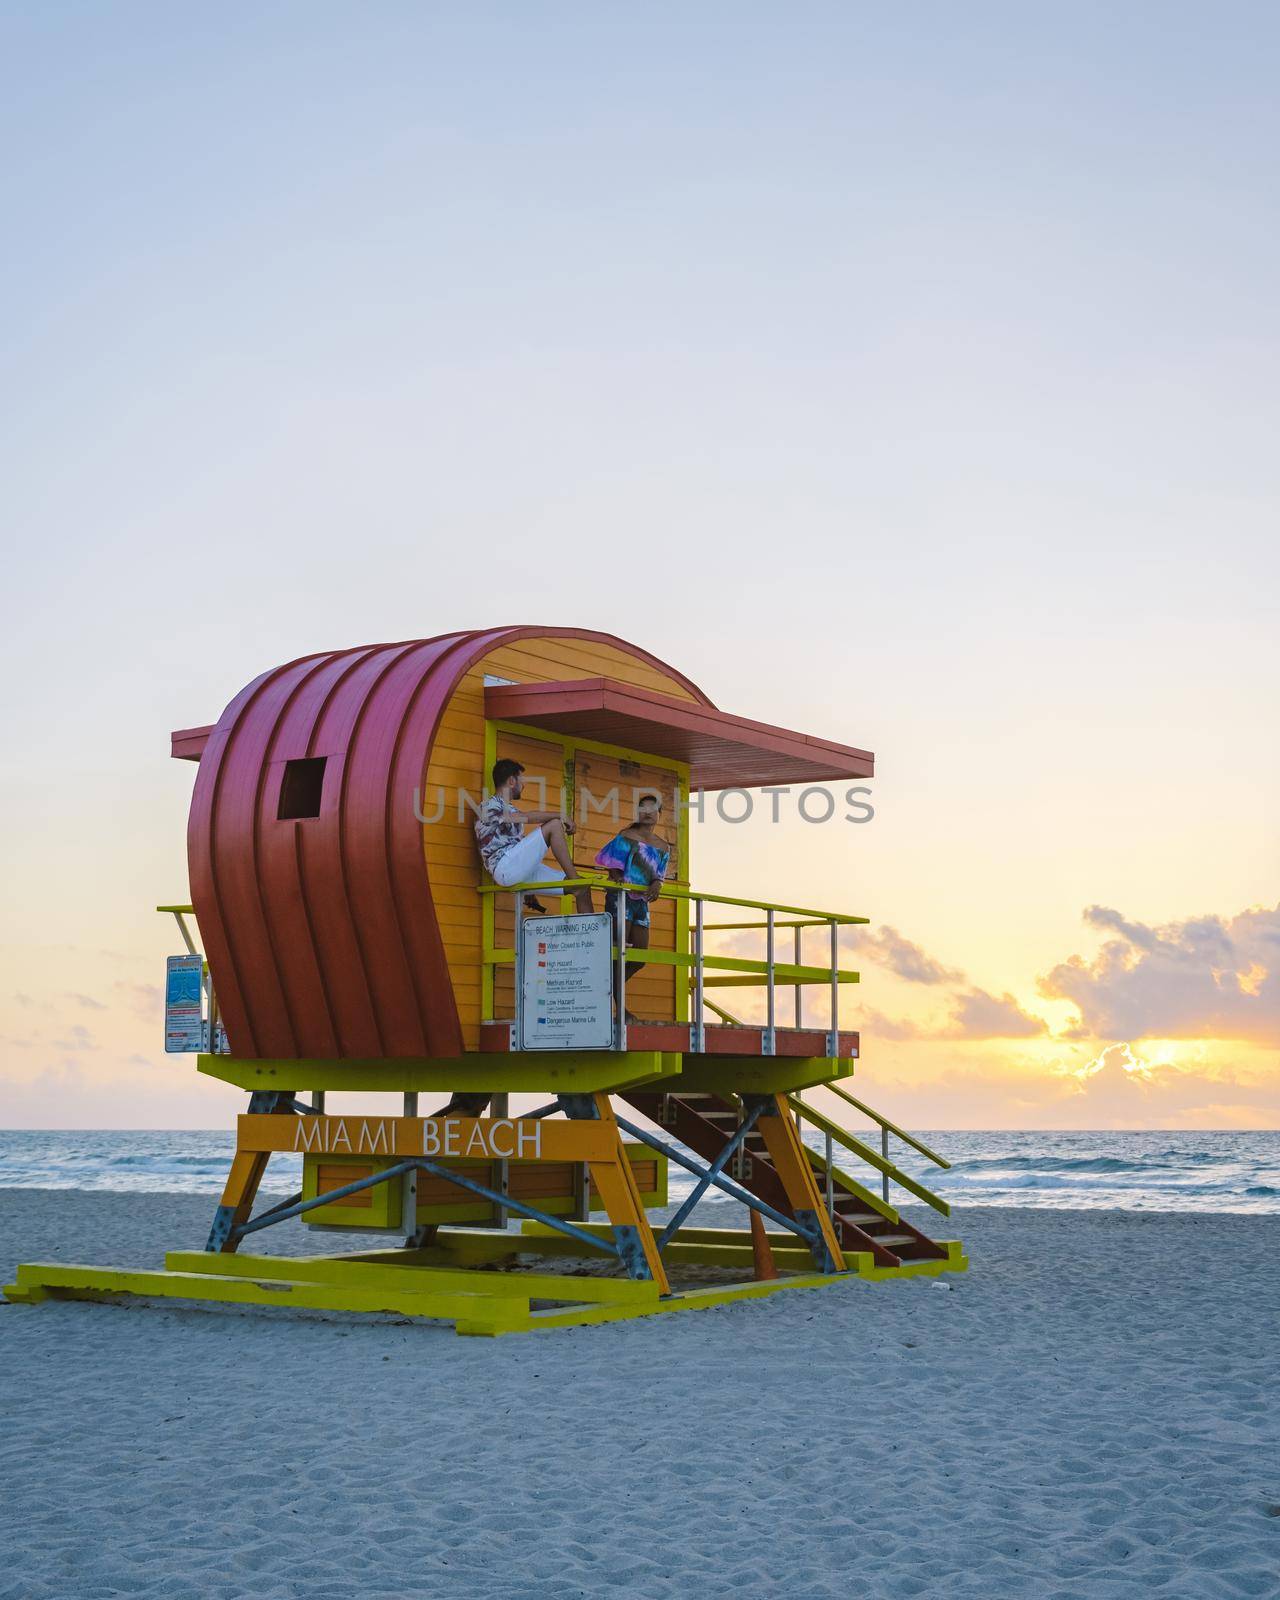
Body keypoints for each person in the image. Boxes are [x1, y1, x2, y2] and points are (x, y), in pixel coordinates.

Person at [474, 757, 594, 915]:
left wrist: (530, 891)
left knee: (583, 888)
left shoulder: (508, 808)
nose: (523, 785)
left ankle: (591, 938)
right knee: (555, 825)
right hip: (504, 867)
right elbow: (527, 817)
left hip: (515, 867)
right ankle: (573, 878)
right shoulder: (489, 806)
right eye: (521, 780)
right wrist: (562, 815)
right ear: (511, 781)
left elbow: (520, 850)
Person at [595, 793, 670, 1019]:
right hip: (621, 897)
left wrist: (657, 884)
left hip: (641, 903)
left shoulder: (663, 846)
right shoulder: (627, 835)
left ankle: (608, 990)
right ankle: (617, 1007)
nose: (647, 812)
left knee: (639, 956)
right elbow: (611, 865)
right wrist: (619, 881)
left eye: (652, 808)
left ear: (659, 814)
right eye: (643, 808)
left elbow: (659, 875)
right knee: (619, 953)